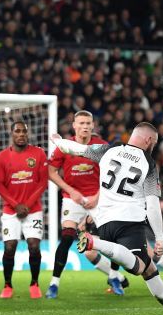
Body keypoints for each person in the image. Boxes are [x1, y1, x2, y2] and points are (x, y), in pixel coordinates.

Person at [52, 122, 163, 315]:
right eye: (154, 143)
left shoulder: (108, 149)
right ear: (148, 140)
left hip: (104, 223)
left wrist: (59, 142)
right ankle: (94, 243)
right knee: (139, 267)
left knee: (149, 270)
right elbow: (153, 204)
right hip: (129, 222)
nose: (153, 147)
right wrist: (159, 238)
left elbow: (77, 149)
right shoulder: (148, 163)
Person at [46, 110, 127, 298]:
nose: (85, 126)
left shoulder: (102, 146)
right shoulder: (64, 146)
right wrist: (71, 190)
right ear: (74, 126)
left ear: (93, 126)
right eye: (81, 123)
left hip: (98, 198)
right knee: (66, 237)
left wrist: (98, 196)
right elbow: (51, 172)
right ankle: (54, 284)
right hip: (72, 198)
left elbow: (113, 175)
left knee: (113, 237)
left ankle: (114, 277)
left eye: (88, 123)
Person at [0, 120, 49, 299]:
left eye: (24, 131)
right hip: (11, 210)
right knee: (10, 247)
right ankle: (7, 285)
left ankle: (34, 283)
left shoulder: (38, 153)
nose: (21, 134)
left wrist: (28, 204)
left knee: (34, 246)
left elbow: (42, 183)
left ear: (28, 133)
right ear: (12, 134)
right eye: (17, 131)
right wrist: (15, 204)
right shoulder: (2, 157)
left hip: (33, 210)